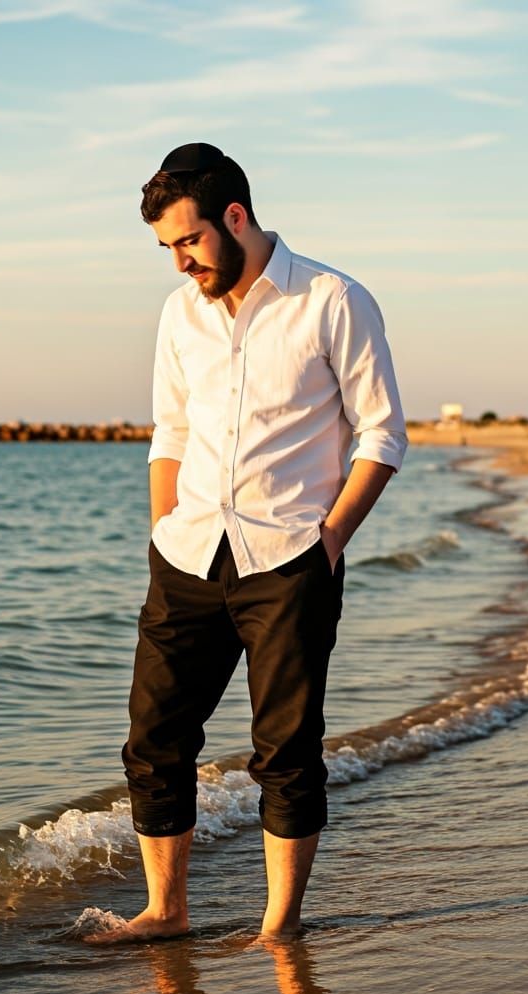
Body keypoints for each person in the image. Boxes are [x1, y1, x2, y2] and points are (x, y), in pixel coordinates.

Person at [89, 143, 407, 943]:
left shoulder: (334, 299)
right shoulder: (179, 315)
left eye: (188, 241)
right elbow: (170, 428)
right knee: (154, 742)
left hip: (289, 561)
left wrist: (328, 543)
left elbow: (382, 435)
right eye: (166, 248)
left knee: (285, 753)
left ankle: (278, 927)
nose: (179, 263)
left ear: (235, 217)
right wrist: (162, 530)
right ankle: (166, 912)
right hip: (187, 556)